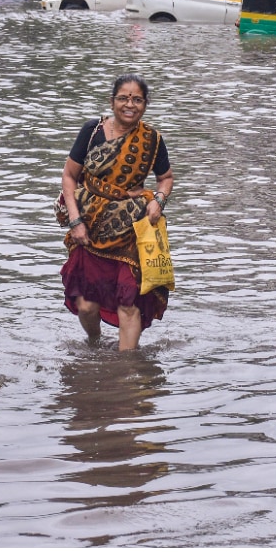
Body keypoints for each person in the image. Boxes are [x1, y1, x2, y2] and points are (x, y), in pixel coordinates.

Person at [60, 74, 174, 352]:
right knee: (86, 305)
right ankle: (94, 343)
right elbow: (69, 176)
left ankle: (127, 371)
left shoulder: (152, 140)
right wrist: (75, 221)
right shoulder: (92, 131)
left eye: (137, 99)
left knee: (129, 302)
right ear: (112, 102)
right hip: (91, 228)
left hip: (131, 230)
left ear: (145, 104)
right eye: (123, 98)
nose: (129, 105)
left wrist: (159, 200)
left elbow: (166, 178)